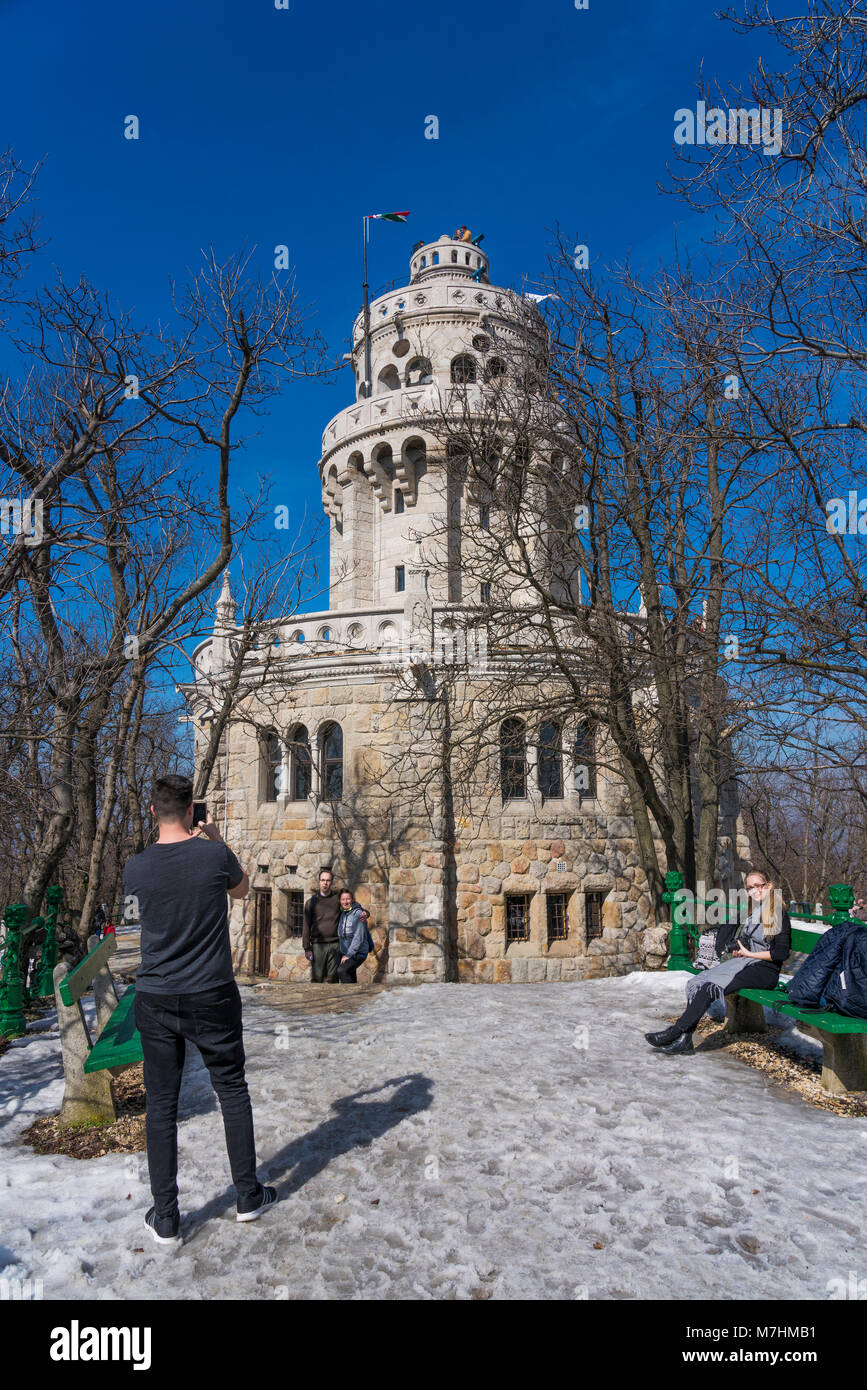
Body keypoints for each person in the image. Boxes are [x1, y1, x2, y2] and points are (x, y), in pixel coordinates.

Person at [124, 774, 276, 1245]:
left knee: (161, 1105)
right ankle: (248, 1196)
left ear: (153, 811)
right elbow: (243, 890)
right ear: (192, 811)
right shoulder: (214, 856)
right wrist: (214, 837)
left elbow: (137, 920)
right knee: (231, 1090)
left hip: (157, 997)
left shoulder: (135, 868)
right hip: (211, 992)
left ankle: (166, 1217)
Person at [645, 868, 792, 1055]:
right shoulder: (754, 912)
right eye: (750, 888)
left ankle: (676, 1032)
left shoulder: (779, 914)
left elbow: (780, 953)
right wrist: (740, 950)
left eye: (758, 886)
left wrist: (750, 954)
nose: (754, 891)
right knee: (702, 983)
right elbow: (748, 940)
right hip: (748, 963)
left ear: (769, 886)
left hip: (766, 971)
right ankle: (684, 1039)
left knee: (710, 986)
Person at [302, 867, 369, 982]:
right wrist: (306, 948)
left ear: (331, 882)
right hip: (318, 945)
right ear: (319, 882)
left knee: (332, 979)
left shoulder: (336, 899)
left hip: (335, 945)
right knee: (317, 978)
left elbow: (353, 905)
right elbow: (306, 926)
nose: (325, 883)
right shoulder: (311, 902)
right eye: (322, 880)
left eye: (328, 880)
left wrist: (366, 913)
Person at [336, 888, 371, 983]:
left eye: (348, 899)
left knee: (342, 970)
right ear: (340, 901)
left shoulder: (359, 914)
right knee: (350, 973)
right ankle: (353, 995)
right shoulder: (342, 913)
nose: (345, 902)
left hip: (358, 953)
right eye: (343, 899)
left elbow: (358, 938)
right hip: (347, 953)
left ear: (352, 900)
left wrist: (348, 955)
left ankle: (347, 994)